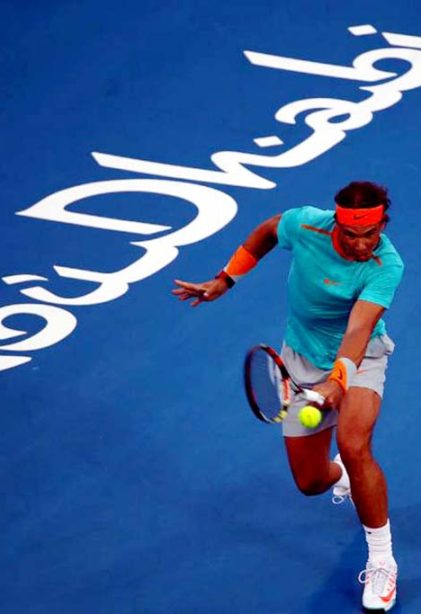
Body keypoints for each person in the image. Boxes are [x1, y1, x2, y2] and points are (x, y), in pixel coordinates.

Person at [172, 181, 404, 611]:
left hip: (360, 360)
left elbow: (358, 329)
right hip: (299, 360)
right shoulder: (304, 225)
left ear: (382, 225)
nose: (359, 244)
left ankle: (382, 559)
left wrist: (339, 380)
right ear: (335, 223)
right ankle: (343, 478)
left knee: (354, 446)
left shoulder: (386, 265)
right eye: (350, 235)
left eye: (368, 235)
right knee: (311, 482)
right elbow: (265, 232)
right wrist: (226, 278)